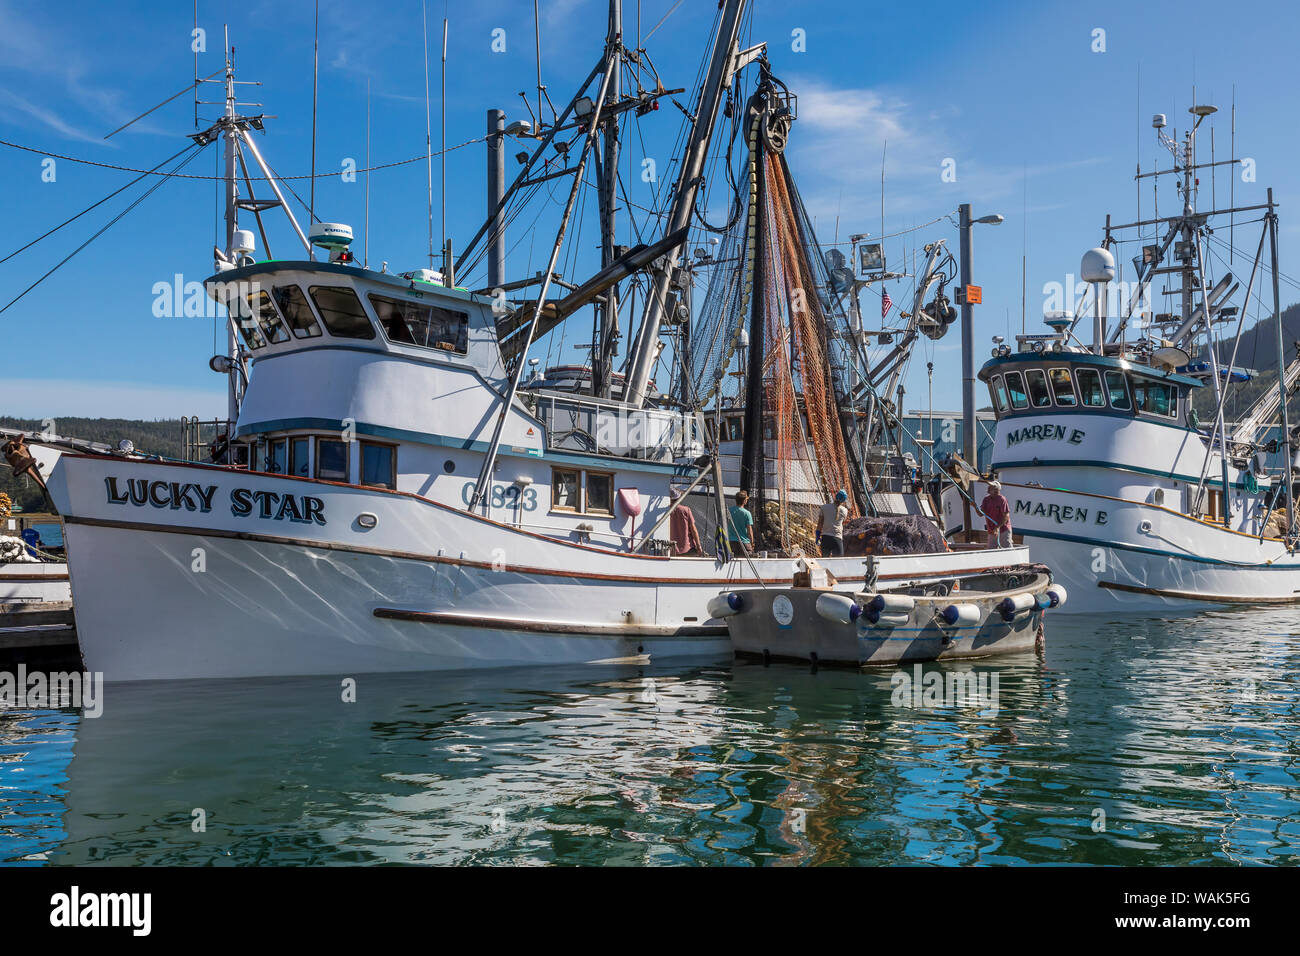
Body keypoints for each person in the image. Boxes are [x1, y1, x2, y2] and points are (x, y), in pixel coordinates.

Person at [817, 489, 849, 557]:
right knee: (838, 562)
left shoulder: (824, 507)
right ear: (843, 501)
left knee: (825, 561)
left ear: (835, 496)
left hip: (825, 538)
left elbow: (820, 523)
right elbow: (842, 521)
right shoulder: (845, 510)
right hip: (837, 538)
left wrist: (817, 537)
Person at [982, 479, 1012, 548]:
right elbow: (981, 514)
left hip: (1004, 529)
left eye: (991, 487)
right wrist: (974, 506)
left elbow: (1006, 516)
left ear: (996, 490)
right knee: (991, 550)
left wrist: (997, 527)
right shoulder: (986, 499)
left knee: (1006, 548)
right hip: (992, 530)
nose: (988, 488)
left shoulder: (1002, 499)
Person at [727, 490, 756, 557]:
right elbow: (749, 530)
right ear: (744, 501)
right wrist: (752, 542)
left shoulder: (729, 511)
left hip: (731, 542)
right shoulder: (747, 513)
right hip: (744, 542)